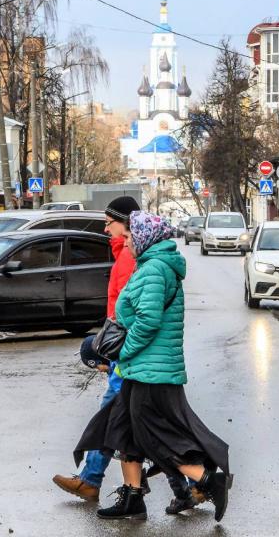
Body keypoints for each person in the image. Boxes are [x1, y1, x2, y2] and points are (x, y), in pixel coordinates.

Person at [75, 211, 232, 522]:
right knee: (121, 429)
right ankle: (133, 497)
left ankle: (206, 479)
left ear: (145, 238)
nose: (127, 241)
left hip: (151, 370)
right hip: (142, 369)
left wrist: (124, 352)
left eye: (132, 237)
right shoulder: (150, 266)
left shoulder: (154, 270)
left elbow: (148, 321)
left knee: (154, 437)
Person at [52, 197, 204, 514]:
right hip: (132, 358)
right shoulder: (132, 259)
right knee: (128, 429)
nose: (107, 229)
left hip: (133, 360)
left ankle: (197, 481)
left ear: (129, 226)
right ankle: (163, 491)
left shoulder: (138, 265)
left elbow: (138, 318)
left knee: (128, 428)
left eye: (111, 223)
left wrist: (117, 353)